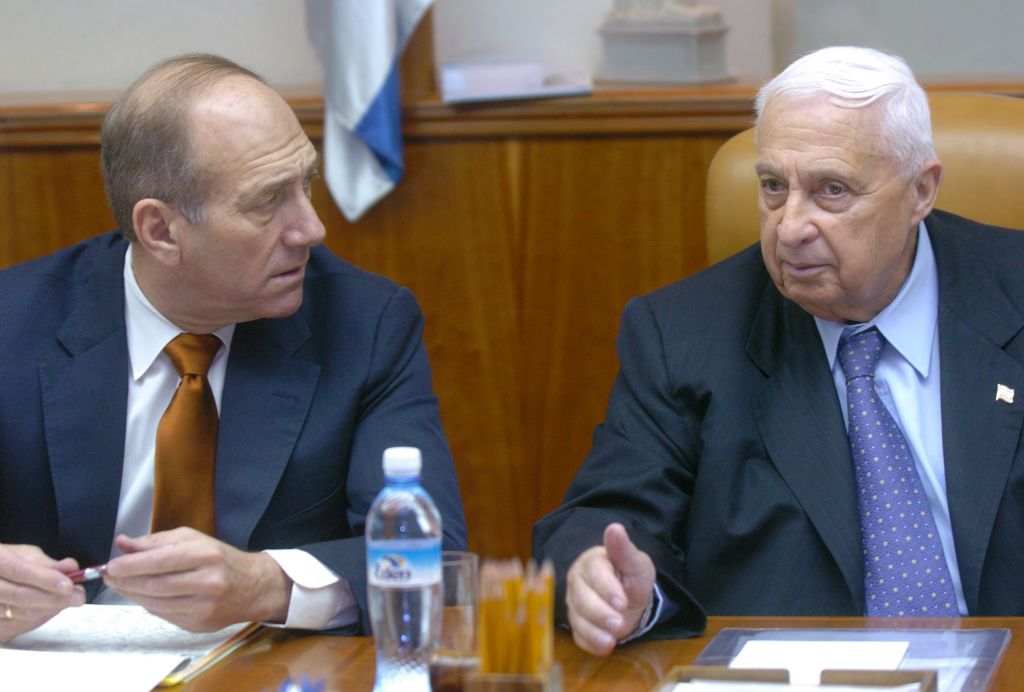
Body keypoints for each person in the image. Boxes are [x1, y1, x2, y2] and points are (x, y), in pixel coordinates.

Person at [533, 45, 1024, 655]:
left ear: (921, 191)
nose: (790, 227)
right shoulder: (681, 334)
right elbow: (606, 519)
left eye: (832, 190)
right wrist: (607, 585)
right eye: (773, 187)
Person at [0, 53, 466, 644]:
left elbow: (433, 557)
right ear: (161, 231)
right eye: (267, 201)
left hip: (266, 666)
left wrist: (267, 585)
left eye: (305, 183)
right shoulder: (13, 323)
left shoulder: (364, 324)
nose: (311, 228)